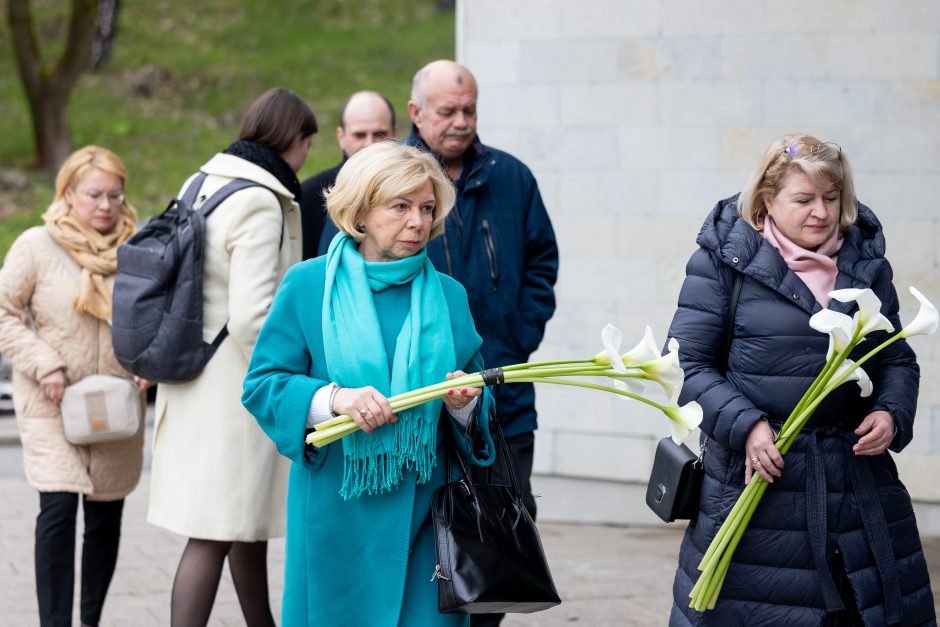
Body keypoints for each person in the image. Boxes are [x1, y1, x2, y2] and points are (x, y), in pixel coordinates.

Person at [667, 134, 936, 625]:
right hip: (757, 488)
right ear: (768, 200)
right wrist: (746, 425)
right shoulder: (724, 261)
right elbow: (688, 364)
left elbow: (896, 360)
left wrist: (890, 413)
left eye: (831, 199)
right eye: (804, 199)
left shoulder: (867, 265)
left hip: (857, 490)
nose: (821, 213)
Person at [242, 141, 496, 626]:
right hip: (335, 514)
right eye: (399, 207)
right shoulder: (307, 285)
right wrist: (334, 399)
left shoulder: (449, 295)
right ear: (360, 211)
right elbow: (263, 385)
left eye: (426, 208)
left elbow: (479, 406)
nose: (417, 222)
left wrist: (463, 405)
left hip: (429, 518)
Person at [146, 87, 315, 627]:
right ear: (293, 140)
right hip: (236, 391)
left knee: (242, 523)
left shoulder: (201, 183)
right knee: (215, 533)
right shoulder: (261, 201)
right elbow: (251, 316)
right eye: (307, 144)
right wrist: (286, 376)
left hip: (193, 378)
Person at [0, 145, 145, 627]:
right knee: (58, 512)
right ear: (67, 193)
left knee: (105, 520)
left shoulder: (140, 247)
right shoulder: (35, 246)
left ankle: (90, 620)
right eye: (93, 195)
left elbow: (157, 314)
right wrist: (44, 363)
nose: (105, 205)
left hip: (116, 406)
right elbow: (4, 312)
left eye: (115, 195)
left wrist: (147, 360)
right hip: (52, 403)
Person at [300, 90, 396, 259]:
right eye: (359, 135)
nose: (369, 143)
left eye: (379, 134)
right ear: (341, 136)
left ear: (394, 134)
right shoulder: (310, 195)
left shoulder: (414, 191)